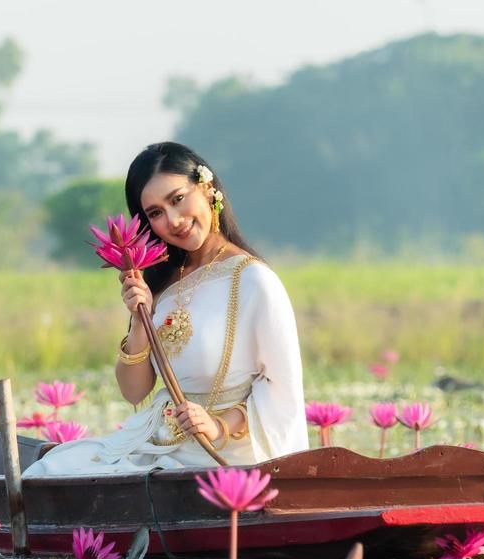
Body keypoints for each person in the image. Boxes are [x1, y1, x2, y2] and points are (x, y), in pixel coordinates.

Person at [24, 141, 308, 477]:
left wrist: (217, 425)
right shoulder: (164, 281)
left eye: (177, 199)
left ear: (207, 188)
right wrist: (139, 319)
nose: (173, 221)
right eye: (156, 213)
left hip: (221, 453)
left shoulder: (254, 280)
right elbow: (134, 391)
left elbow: (281, 390)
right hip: (158, 441)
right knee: (49, 469)